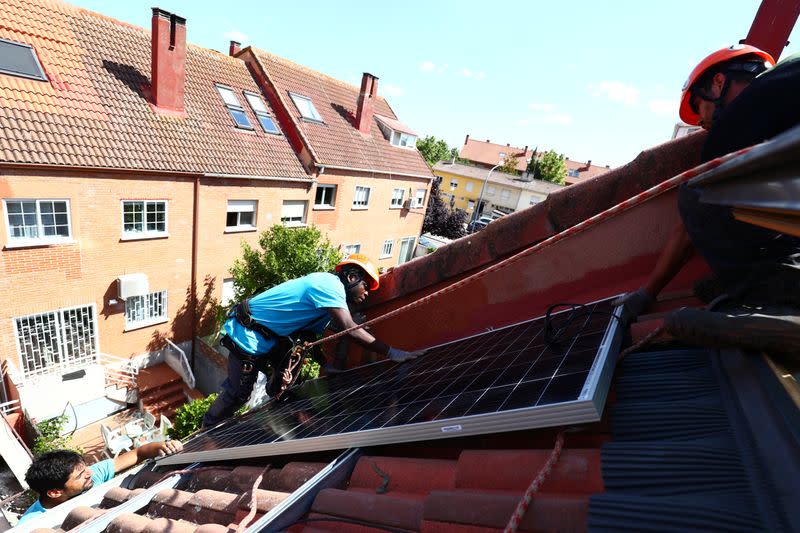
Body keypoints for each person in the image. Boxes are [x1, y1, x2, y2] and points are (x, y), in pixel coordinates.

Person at [617, 44, 800, 354]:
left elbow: (689, 228)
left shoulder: (740, 120)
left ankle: (787, 306)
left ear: (719, 83)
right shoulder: (788, 77)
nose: (702, 122)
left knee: (698, 193)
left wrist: (647, 293)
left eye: (699, 106)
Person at [203, 254, 425, 428]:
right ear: (351, 278)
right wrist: (391, 352)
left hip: (270, 336)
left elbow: (309, 336)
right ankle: (209, 429)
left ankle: (279, 400)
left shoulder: (328, 305)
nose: (367, 293)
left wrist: (324, 364)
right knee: (239, 393)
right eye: (365, 285)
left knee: (288, 375)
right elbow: (350, 329)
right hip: (247, 333)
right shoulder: (329, 285)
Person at [19, 440, 183, 524]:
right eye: (80, 475)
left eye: (85, 467)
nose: (90, 473)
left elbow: (138, 453)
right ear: (55, 492)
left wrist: (161, 446)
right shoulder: (31, 523)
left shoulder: (90, 475)